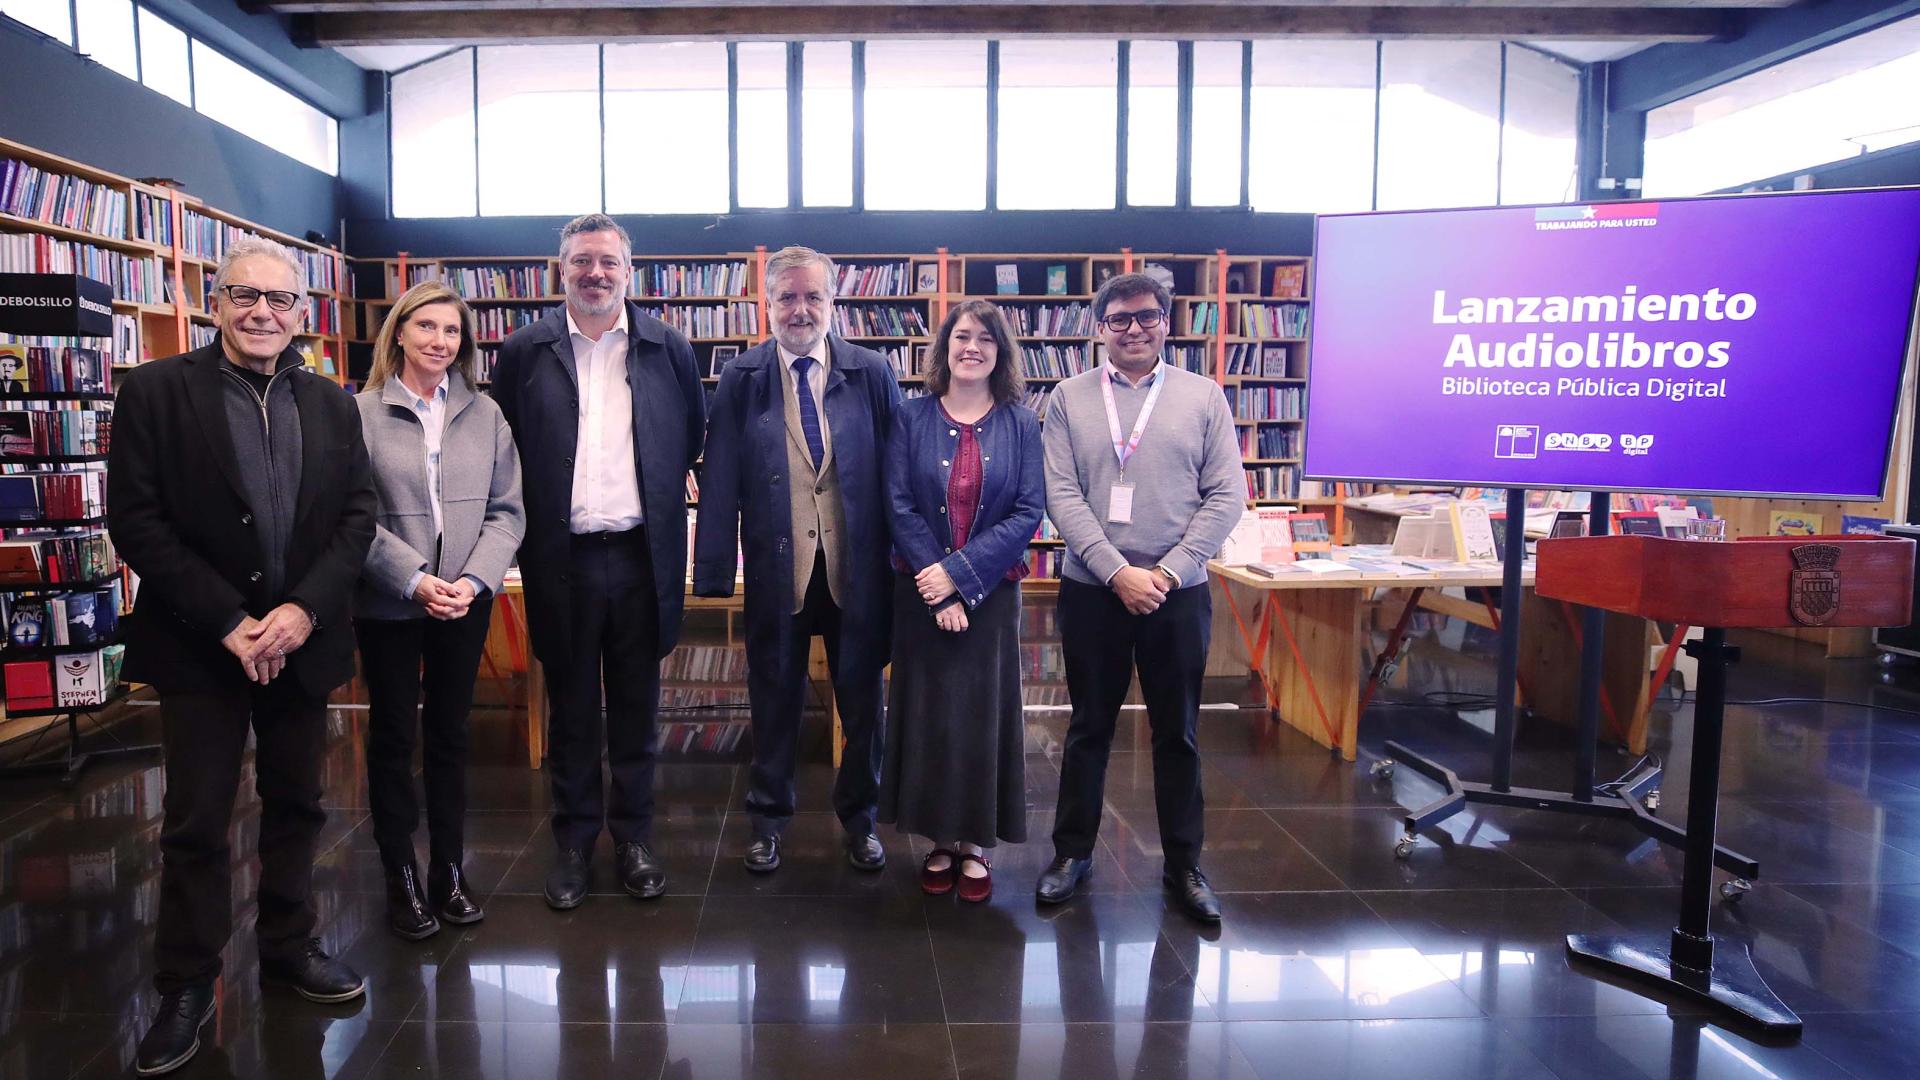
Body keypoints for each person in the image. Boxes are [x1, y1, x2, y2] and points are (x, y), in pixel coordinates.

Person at [108, 236, 377, 1076]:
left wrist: (300, 610)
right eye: (244, 296)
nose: (264, 312)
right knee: (194, 820)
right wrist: (230, 619)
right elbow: (137, 521)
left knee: (299, 801)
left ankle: (290, 946)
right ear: (214, 303)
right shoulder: (154, 392)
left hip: (303, 640)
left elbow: (358, 519)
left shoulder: (333, 402)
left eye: (281, 300)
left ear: (304, 312)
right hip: (200, 645)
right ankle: (187, 983)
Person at [490, 213, 706, 910]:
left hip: (642, 557)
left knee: (639, 708)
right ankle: (576, 843)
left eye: (609, 262)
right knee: (574, 710)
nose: (596, 273)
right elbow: (505, 445)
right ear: (562, 270)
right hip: (563, 559)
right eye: (582, 260)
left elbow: (691, 433)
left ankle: (636, 839)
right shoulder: (525, 351)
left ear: (628, 270)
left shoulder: (666, 347)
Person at [1035, 271, 1244, 923]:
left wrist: (1171, 570)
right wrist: (1115, 571)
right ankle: (1072, 853)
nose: (1134, 329)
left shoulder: (1203, 396)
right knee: (1088, 727)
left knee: (1177, 733)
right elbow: (1061, 495)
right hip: (1093, 592)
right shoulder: (1069, 397)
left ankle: (1185, 864)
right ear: (1099, 328)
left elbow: (1226, 495)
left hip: (1176, 594)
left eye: (1146, 317)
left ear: (1166, 322)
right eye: (1120, 319)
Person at [693, 245, 902, 874]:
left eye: (813, 296)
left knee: (863, 703)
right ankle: (768, 820)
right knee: (773, 698)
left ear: (833, 303)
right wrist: (710, 572)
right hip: (775, 569)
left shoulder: (870, 372)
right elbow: (720, 473)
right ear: (767, 303)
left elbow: (898, 475)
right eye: (787, 296)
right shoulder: (742, 376)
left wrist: (908, 565)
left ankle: (861, 819)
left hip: (858, 572)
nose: (800, 309)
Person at [353, 281, 525, 940]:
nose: (438, 341)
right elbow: (351, 514)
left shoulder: (487, 415)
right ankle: (400, 876)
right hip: (391, 600)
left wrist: (475, 580)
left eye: (451, 331)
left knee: (451, 738)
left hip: (466, 600)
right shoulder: (360, 413)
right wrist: (414, 578)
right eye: (426, 327)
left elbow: (508, 510)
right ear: (399, 331)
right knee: (394, 739)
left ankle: (448, 872)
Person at [880, 300, 1043, 902]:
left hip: (992, 596)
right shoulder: (910, 416)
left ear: (1001, 354)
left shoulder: (1023, 423)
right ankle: (938, 840)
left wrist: (961, 578)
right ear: (944, 347)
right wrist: (936, 581)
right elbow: (896, 502)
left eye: (985, 340)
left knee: (982, 716)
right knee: (930, 716)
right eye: (962, 336)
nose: (972, 347)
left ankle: (974, 843)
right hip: (920, 592)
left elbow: (1030, 510)